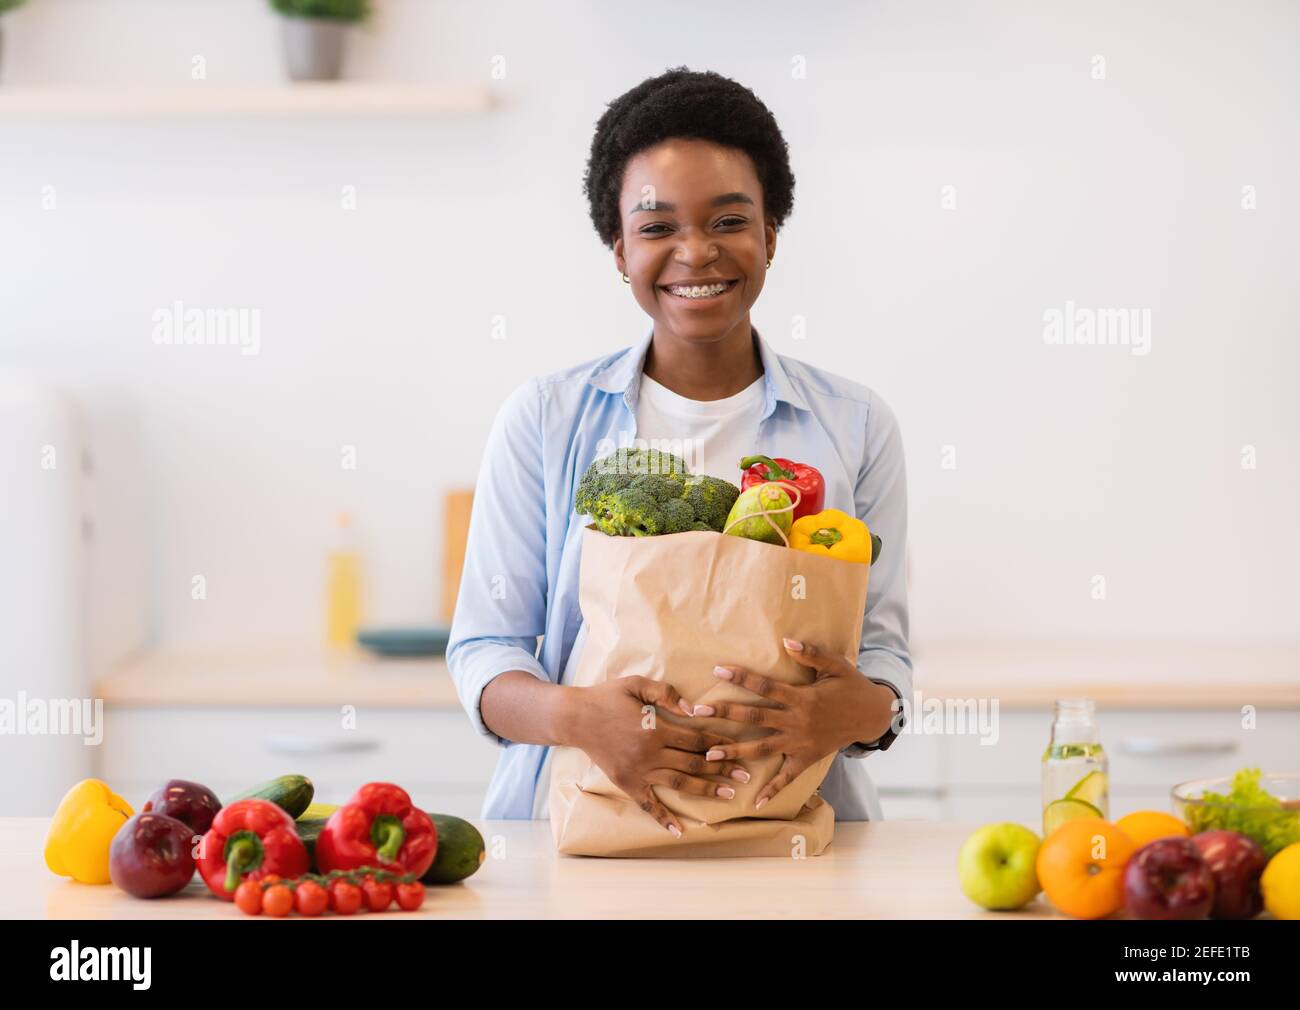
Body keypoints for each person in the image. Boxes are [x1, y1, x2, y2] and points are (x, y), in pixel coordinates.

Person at [447, 67, 911, 836]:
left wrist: (860, 711)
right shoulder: (545, 419)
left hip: (795, 836)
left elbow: (886, 658)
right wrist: (581, 717)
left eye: (729, 221)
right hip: (579, 831)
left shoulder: (856, 424)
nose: (696, 253)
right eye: (658, 227)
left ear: (770, 235)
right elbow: (484, 650)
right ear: (620, 251)